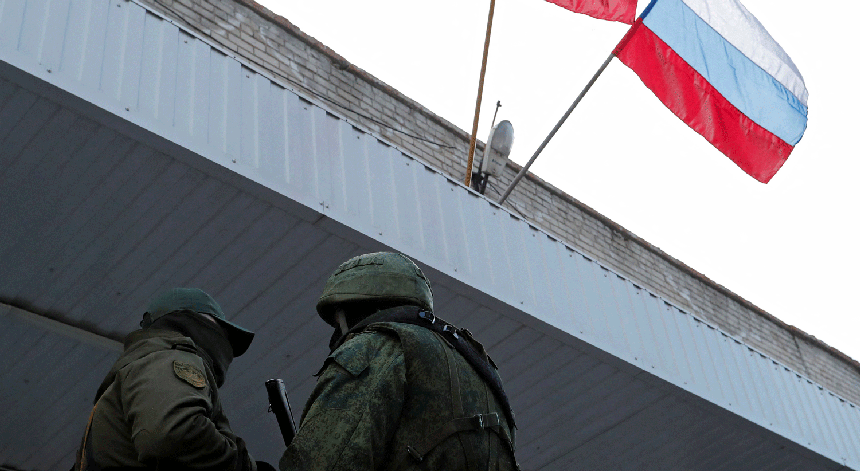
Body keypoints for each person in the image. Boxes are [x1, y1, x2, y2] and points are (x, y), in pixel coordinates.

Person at [279, 252, 518, 471]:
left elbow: (324, 462)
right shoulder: (483, 371)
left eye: (337, 322)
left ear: (352, 310)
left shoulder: (375, 346)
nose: (337, 336)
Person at [74, 288, 273, 471]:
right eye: (218, 328)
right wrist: (243, 467)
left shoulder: (137, 369)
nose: (224, 342)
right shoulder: (170, 357)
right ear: (196, 322)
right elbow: (172, 434)